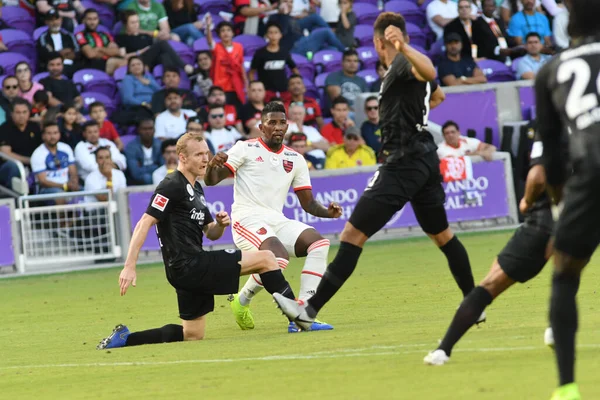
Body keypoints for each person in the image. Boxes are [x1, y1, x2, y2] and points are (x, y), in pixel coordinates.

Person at [273, 12, 481, 331]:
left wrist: (402, 48)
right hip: (424, 159)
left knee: (352, 235)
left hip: (404, 160)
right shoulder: (402, 72)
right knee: (442, 235)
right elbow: (437, 95)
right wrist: (413, 109)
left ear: (377, 42)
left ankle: (308, 310)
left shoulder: (401, 63)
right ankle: (474, 303)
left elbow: (428, 70)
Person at [97, 133, 297, 349]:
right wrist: (129, 266)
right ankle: (299, 318)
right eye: (199, 154)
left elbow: (210, 233)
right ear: (182, 157)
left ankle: (126, 338)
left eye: (207, 153)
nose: (205, 159)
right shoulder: (171, 185)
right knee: (267, 258)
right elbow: (144, 222)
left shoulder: (197, 189)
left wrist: (219, 225)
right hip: (189, 264)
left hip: (184, 270)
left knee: (192, 334)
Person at [204, 101, 342, 332]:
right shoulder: (244, 148)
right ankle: (295, 318)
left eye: (281, 123)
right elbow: (212, 180)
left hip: (276, 219)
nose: (277, 127)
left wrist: (327, 213)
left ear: (287, 126)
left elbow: (307, 203)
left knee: (319, 243)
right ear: (261, 127)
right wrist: (211, 166)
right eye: (272, 123)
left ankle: (301, 308)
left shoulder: (295, 159)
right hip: (246, 218)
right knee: (277, 256)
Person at [424, 133, 556, 365]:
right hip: (583, 218)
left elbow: (537, 176)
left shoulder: (553, 126)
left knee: (489, 284)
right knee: (567, 274)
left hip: (546, 221)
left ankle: (442, 350)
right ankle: (557, 325)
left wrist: (526, 201)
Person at [535, 1, 600, 398]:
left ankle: (567, 387)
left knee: (565, 275)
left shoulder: (550, 71)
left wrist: (560, 206)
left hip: (588, 172)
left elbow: (551, 156)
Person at [249, 21, 299, 102]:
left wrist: (295, 82)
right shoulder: (260, 53)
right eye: (270, 33)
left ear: (280, 35)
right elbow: (252, 72)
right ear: (266, 35)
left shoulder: (284, 52)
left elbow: (294, 69)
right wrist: (254, 86)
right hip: (267, 92)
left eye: (276, 32)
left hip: (284, 91)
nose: (273, 36)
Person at [206, 19, 248, 110]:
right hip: (221, 86)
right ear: (219, 34)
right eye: (222, 30)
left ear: (233, 33)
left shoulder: (239, 47)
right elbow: (209, 41)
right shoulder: (216, 47)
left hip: (236, 85)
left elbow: (241, 66)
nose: (226, 33)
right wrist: (208, 27)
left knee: (238, 110)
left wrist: (246, 83)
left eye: (228, 30)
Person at [31, 122, 80, 198]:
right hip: (47, 189)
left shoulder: (66, 148)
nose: (52, 136)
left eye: (55, 133)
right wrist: (64, 186)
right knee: (60, 196)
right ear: (43, 136)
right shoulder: (38, 154)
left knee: (86, 191)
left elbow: (73, 171)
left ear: (59, 134)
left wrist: (74, 182)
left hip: (67, 185)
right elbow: (43, 181)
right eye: (49, 133)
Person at [76, 8, 127, 75]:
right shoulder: (80, 35)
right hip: (91, 65)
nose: (92, 22)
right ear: (84, 20)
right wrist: (108, 51)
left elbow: (117, 51)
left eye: (95, 19)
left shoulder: (105, 35)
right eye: (89, 19)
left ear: (98, 20)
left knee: (131, 63)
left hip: (107, 63)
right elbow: (90, 54)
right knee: (125, 63)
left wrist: (99, 49)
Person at [36, 9, 80, 78]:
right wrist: (62, 53)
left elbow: (77, 51)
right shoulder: (43, 37)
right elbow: (46, 54)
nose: (54, 22)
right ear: (46, 22)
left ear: (61, 20)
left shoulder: (69, 35)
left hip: (71, 65)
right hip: (53, 67)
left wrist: (57, 53)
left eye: (56, 19)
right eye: (51, 20)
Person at [124, 118, 163, 185]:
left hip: (158, 176)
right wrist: (156, 166)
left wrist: (142, 168)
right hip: (137, 182)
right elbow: (135, 172)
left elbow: (163, 167)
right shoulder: (131, 147)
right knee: (147, 178)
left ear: (154, 130)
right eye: (144, 129)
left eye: (150, 128)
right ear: (138, 130)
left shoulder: (160, 144)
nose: (148, 131)